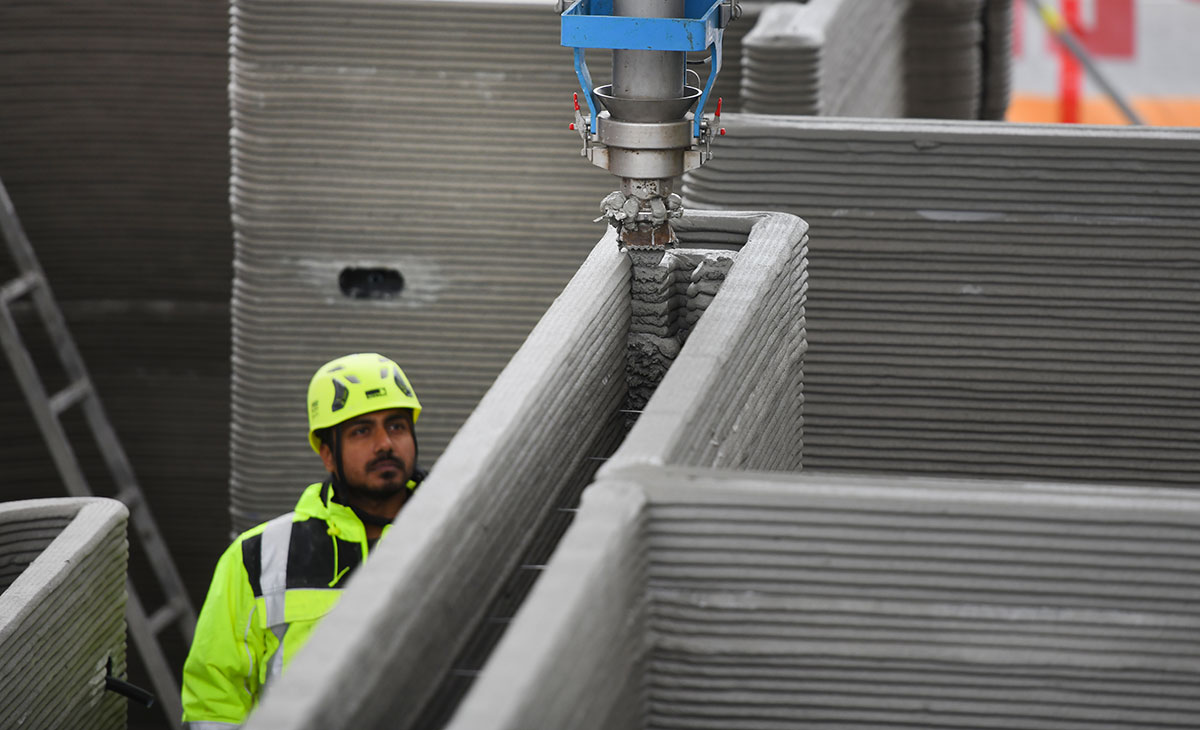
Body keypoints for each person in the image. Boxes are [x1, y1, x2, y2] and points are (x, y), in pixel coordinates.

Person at [180, 353, 425, 727]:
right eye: (361, 431)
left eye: (396, 426)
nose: (384, 444)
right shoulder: (257, 557)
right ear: (328, 455)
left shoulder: (458, 533)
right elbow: (214, 699)